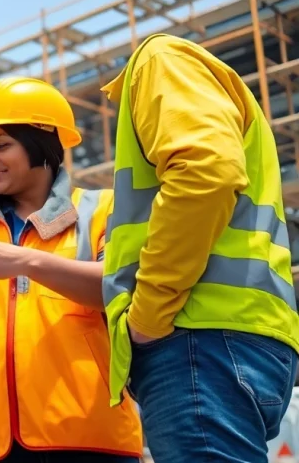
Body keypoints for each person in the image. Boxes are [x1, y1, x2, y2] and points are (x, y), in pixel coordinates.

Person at [100, 33, 299, 462]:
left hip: (193, 333)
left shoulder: (159, 60)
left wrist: (148, 316)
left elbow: (207, 173)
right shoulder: (183, 75)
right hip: (232, 335)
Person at [0, 77, 143, 463]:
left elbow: (120, 292)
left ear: (42, 144)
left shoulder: (101, 212)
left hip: (89, 440)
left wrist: (24, 261)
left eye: (1, 145)